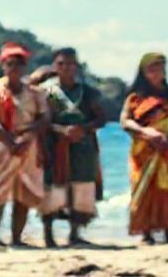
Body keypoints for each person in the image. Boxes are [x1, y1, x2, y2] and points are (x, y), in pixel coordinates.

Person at [0, 42, 50, 247]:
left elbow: (44, 118)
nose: (14, 68)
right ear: (3, 65)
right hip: (2, 144)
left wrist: (26, 137)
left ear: (25, 67)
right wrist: (9, 140)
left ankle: (17, 238)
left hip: (28, 145)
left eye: (19, 64)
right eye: (10, 64)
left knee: (25, 191)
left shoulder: (35, 92)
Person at [120, 53, 168, 244]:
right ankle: (146, 232)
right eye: (150, 69)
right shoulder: (135, 99)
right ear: (143, 73)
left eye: (159, 68)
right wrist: (146, 132)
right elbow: (125, 121)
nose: (155, 72)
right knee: (144, 188)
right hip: (144, 151)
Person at [38, 47, 106, 247]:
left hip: (83, 146)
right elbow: (40, 120)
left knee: (82, 185)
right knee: (52, 186)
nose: (66, 68)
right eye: (61, 64)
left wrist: (83, 129)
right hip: (55, 144)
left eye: (70, 63)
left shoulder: (88, 91)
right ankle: (48, 235)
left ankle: (75, 233)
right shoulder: (46, 91)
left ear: (76, 66)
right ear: (54, 66)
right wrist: (60, 130)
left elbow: (101, 118)